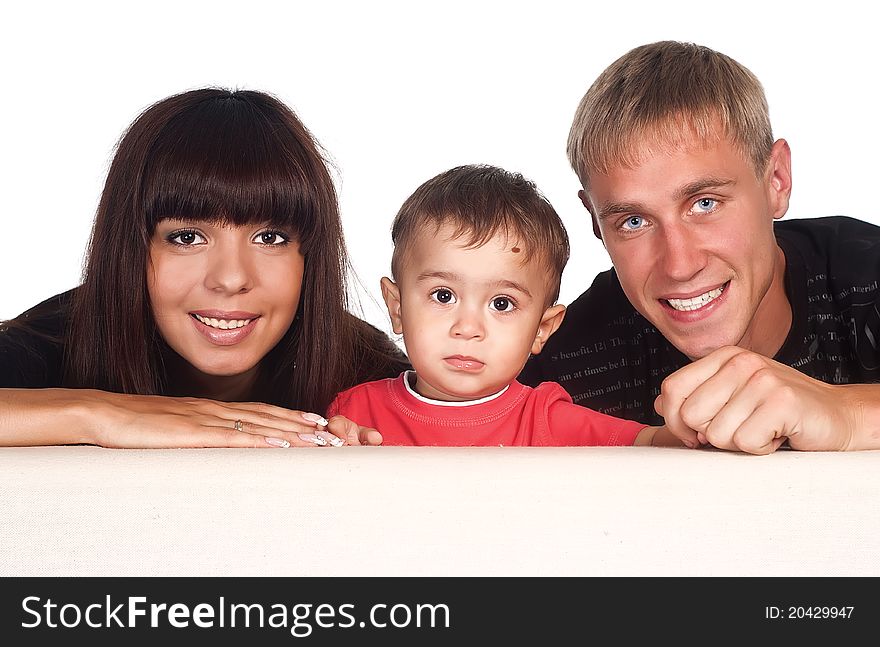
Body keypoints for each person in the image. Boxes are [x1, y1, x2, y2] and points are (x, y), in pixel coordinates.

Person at [520, 40, 880, 454]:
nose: (679, 265)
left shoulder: (866, 275)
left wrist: (848, 416)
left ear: (776, 180)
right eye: (633, 221)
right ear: (596, 223)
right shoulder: (572, 354)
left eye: (705, 204)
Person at [0, 88, 408, 448]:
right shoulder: (55, 338)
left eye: (270, 238)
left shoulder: (364, 368)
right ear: (132, 247)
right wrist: (98, 414)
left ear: (311, 255)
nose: (230, 279)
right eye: (187, 237)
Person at [328, 164, 681, 447]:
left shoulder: (546, 419)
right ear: (397, 308)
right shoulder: (354, 412)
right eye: (443, 295)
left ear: (542, 330)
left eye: (501, 303)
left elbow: (654, 444)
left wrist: (696, 424)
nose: (468, 328)